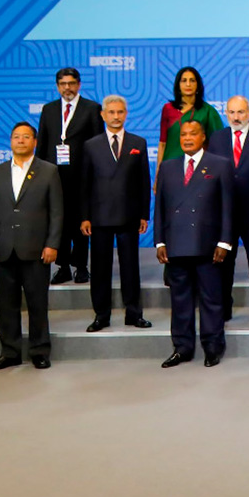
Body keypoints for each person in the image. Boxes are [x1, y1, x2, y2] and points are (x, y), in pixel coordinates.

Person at [0, 122, 62, 370]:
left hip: (36, 249)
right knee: (6, 304)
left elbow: (57, 212)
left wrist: (52, 244)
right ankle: (10, 352)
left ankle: (39, 350)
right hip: (3, 248)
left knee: (37, 303)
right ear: (11, 141)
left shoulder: (48, 171)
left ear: (34, 141)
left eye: (26, 137)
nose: (21, 140)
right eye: (16, 137)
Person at [153, 121, 233, 368]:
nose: (187, 138)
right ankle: (182, 347)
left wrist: (225, 241)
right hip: (176, 245)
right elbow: (160, 209)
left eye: (193, 134)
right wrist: (159, 242)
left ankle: (212, 346)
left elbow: (228, 207)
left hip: (208, 245)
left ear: (203, 137)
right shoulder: (167, 167)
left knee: (211, 299)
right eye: (183, 134)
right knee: (180, 300)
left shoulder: (220, 164)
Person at [79, 95, 151, 332]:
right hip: (99, 217)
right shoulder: (91, 145)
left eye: (120, 112)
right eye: (111, 112)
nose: (116, 116)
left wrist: (144, 214)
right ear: (103, 115)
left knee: (131, 267)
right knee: (100, 269)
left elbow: (143, 181)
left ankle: (134, 313)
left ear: (126, 114)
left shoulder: (138, 143)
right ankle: (102, 315)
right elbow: (85, 184)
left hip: (129, 216)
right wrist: (85, 216)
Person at [206, 95, 249, 323]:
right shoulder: (216, 139)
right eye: (232, 112)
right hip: (224, 213)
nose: (236, 117)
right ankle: (223, 307)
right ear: (226, 113)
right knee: (223, 263)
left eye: (241, 112)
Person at [35, 67, 103, 285]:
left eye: (71, 83)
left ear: (79, 84)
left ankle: (81, 267)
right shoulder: (49, 109)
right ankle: (62, 266)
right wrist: (38, 173)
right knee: (59, 223)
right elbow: (43, 143)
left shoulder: (92, 108)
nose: (67, 88)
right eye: (63, 84)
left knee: (81, 222)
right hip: (54, 176)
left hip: (82, 176)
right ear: (57, 86)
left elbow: (98, 142)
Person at [158, 66, 224, 163]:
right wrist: (158, 172)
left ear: (198, 85)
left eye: (192, 80)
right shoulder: (168, 109)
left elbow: (218, 143)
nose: (188, 84)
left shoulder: (207, 111)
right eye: (184, 80)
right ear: (178, 85)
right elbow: (162, 143)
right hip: (171, 166)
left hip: (199, 166)